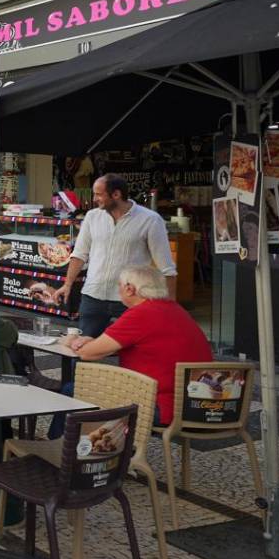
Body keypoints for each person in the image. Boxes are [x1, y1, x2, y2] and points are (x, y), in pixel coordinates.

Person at [62, 265, 212, 426]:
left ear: (129, 289)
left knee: (72, 389)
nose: (118, 291)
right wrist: (92, 340)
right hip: (199, 405)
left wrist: (72, 340)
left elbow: (87, 354)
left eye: (118, 286)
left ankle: (61, 448)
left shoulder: (141, 314)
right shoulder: (175, 309)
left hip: (163, 407)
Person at [57, 175, 178, 337]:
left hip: (131, 299)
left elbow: (167, 268)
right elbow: (79, 254)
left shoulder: (150, 220)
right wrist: (67, 285)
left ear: (116, 194)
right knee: (81, 351)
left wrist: (169, 305)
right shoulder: (92, 217)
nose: (94, 199)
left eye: (99, 194)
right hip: (93, 295)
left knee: (133, 353)